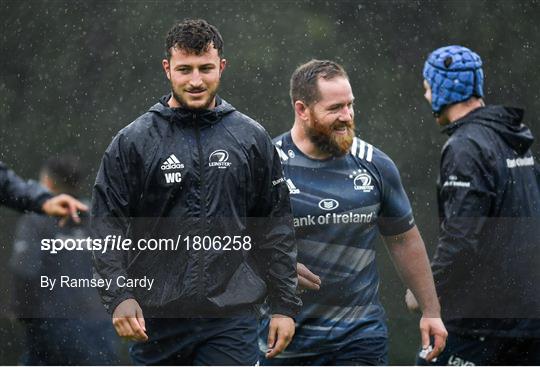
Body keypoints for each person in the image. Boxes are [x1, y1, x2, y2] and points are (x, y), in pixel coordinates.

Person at [91, 19, 301, 365]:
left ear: (221, 66)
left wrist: (284, 305)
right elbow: (106, 225)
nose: (196, 80)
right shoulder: (133, 141)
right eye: (184, 69)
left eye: (205, 68)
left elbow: (274, 226)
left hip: (232, 318)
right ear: (167, 69)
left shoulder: (251, 138)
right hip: (155, 321)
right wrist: (118, 296)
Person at [259, 59, 447, 365]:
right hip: (284, 339)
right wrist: (273, 266)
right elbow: (232, 242)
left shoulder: (375, 164)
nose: (347, 116)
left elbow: (404, 241)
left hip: (360, 338)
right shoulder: (266, 165)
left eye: (350, 105)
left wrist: (431, 311)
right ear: (302, 109)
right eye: (335, 108)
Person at [406, 45, 540, 365]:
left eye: (427, 88)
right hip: (528, 317)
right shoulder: (514, 138)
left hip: (481, 321)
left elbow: (460, 237)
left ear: (442, 88)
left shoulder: (466, 145)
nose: (426, 98)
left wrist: (426, 290)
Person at [9, 156, 119, 365]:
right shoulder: (97, 217)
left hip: (51, 326)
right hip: (98, 326)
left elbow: (24, 271)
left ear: (48, 182)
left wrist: (22, 312)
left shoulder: (36, 219)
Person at [0, 161, 87, 221]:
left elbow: (6, 184)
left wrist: (43, 200)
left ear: (48, 182)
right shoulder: (93, 215)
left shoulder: (34, 220)